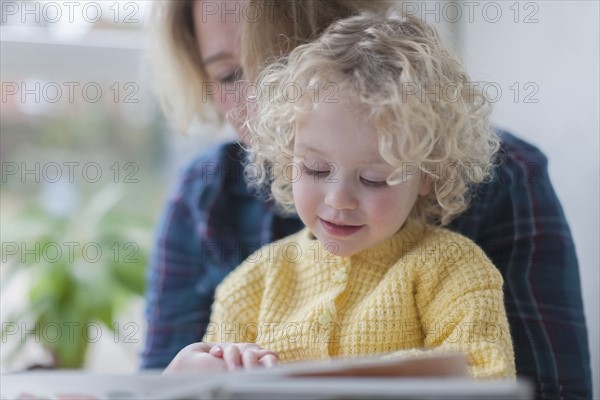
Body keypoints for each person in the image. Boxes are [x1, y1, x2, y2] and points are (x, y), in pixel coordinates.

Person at [143, 1, 591, 398]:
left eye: (376, 177)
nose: (339, 200)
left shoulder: (455, 267)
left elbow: (497, 380)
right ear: (285, 158)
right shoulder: (245, 286)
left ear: (429, 172)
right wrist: (182, 383)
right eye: (229, 74)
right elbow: (176, 382)